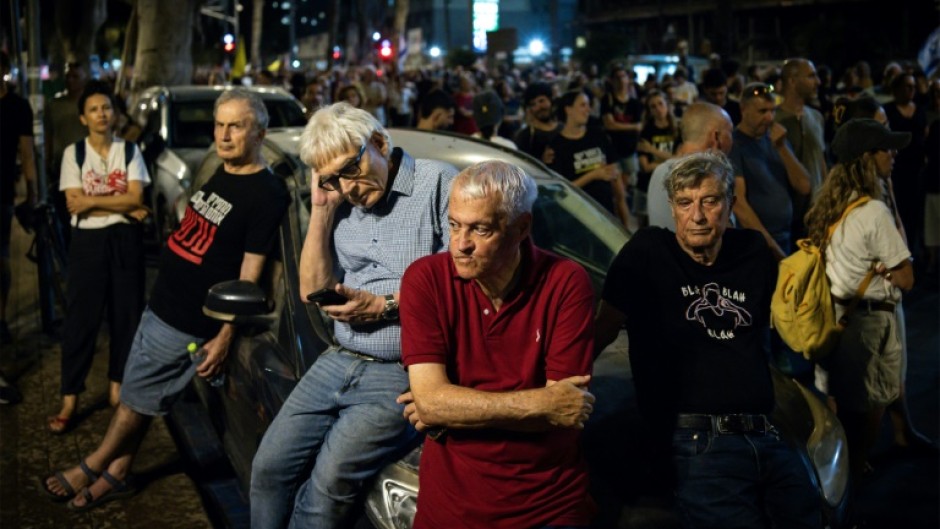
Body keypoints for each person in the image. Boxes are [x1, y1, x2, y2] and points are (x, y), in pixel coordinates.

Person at [41, 88, 288, 510]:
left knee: (136, 399)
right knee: (141, 393)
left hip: (188, 320)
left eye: (237, 126)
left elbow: (251, 274)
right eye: (220, 124)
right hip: (163, 305)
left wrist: (226, 333)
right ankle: (117, 475)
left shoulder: (266, 193)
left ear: (260, 133)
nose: (224, 135)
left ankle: (93, 463)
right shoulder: (224, 170)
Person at [249, 102, 459, 528]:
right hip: (339, 358)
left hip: (399, 370)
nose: (347, 188)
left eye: (350, 169)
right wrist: (323, 212)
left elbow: (462, 287)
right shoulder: (339, 200)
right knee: (267, 471)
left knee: (324, 492)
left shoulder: (438, 184)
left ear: (379, 142)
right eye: (332, 179)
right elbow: (311, 290)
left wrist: (386, 306)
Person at [595, 151, 821, 528]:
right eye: (685, 203)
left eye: (710, 201)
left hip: (767, 432)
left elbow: (791, 320)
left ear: (731, 203)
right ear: (672, 207)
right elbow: (601, 330)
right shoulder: (648, 252)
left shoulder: (751, 250)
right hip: (697, 439)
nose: (697, 216)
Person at [397, 160, 596, 528]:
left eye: (480, 229)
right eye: (454, 225)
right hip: (451, 509)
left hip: (548, 505)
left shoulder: (567, 283)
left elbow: (566, 414)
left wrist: (451, 408)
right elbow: (431, 401)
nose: (460, 245)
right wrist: (539, 404)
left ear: (521, 227)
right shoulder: (424, 280)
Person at [806, 118, 914, 482]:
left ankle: (839, 469)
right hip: (869, 323)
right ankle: (852, 473)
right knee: (872, 403)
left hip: (835, 315)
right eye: (886, 148)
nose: (893, 154)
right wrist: (885, 269)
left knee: (837, 400)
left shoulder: (832, 202)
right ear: (867, 158)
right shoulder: (873, 212)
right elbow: (906, 278)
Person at [49, 80, 150, 434]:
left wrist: (93, 201)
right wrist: (122, 204)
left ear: (115, 112)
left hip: (124, 241)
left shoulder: (129, 151)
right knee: (81, 320)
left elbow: (136, 198)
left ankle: (117, 386)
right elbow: (74, 201)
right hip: (87, 243)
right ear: (83, 117)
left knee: (126, 314)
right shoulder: (73, 155)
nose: (101, 114)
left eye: (106, 107)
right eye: (93, 109)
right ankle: (70, 398)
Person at [730, 82, 811, 261]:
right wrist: (772, 248)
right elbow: (739, 204)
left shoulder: (776, 140)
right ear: (743, 109)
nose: (769, 117)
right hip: (757, 245)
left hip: (786, 238)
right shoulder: (734, 145)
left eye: (772, 110)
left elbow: (804, 186)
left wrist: (782, 147)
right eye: (762, 111)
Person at [0, 51, 38, 345]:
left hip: (2, 193)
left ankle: (1, 317)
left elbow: (27, 152)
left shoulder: (17, 107)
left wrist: (32, 191)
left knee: (2, 260)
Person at [647, 102, 734, 230]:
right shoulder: (711, 179)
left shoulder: (659, 171)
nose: (733, 139)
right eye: (730, 132)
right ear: (716, 137)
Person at [546, 91, 625, 225]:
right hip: (578, 219)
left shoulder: (598, 135)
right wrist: (593, 175)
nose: (588, 109)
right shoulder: (556, 146)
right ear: (568, 110)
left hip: (606, 214)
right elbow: (560, 191)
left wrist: (623, 214)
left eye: (589, 105)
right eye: (583, 105)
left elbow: (616, 177)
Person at [776, 58, 827, 239]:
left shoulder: (816, 117)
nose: (818, 82)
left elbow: (819, 159)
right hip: (787, 213)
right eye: (811, 76)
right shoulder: (773, 119)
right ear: (792, 80)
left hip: (815, 213)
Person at [45, 61, 89, 243]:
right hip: (62, 169)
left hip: (88, 169)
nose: (71, 81)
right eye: (68, 77)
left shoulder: (91, 105)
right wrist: (47, 165)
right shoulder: (55, 105)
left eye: (75, 77)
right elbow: (48, 136)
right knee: (66, 216)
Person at [600, 65, 643, 224]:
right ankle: (620, 224)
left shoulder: (634, 102)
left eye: (623, 76)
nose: (621, 80)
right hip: (613, 151)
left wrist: (622, 126)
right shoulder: (608, 99)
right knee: (619, 193)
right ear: (612, 80)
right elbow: (609, 124)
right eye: (617, 77)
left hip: (629, 150)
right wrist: (632, 127)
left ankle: (620, 223)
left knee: (623, 191)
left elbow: (639, 126)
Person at [636, 90, 678, 228]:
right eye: (653, 106)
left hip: (673, 182)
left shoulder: (677, 129)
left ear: (667, 104)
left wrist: (653, 150)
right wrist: (671, 159)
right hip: (649, 183)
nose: (658, 109)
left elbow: (681, 158)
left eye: (660, 104)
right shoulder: (646, 131)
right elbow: (645, 167)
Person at [513, 82, 561, 161]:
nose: (539, 107)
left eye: (542, 101)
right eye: (533, 104)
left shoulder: (564, 128)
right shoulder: (525, 137)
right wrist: (542, 161)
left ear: (550, 100)